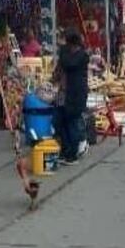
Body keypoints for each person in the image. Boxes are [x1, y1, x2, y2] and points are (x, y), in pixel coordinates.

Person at [55, 30, 90, 164]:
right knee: (61, 123)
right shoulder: (69, 55)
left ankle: (73, 153)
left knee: (72, 124)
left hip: (75, 96)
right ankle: (66, 150)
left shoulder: (81, 56)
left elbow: (68, 63)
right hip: (66, 95)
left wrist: (62, 51)